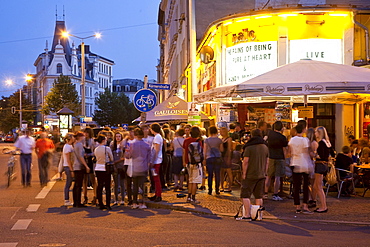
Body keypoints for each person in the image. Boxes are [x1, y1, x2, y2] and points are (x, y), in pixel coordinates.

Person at [236, 129, 268, 221]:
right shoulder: (265, 147)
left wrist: (244, 174)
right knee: (259, 196)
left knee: (245, 195)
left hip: (250, 174)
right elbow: (267, 162)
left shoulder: (249, 147)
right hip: (261, 174)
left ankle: (247, 215)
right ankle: (259, 215)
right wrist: (265, 172)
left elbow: (246, 161)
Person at [288, 124, 313, 214]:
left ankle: (297, 206)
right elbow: (307, 152)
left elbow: (289, 152)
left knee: (296, 185)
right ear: (303, 130)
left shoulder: (292, 140)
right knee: (305, 185)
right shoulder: (305, 140)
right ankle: (305, 205)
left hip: (294, 162)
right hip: (304, 163)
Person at [125, 128, 150, 209]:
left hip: (134, 166)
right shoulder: (147, 145)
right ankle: (142, 202)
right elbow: (149, 158)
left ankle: (134, 202)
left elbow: (127, 155)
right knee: (142, 185)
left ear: (135, 135)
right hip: (144, 166)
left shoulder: (130, 144)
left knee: (135, 185)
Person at [264, 121, 288, 201]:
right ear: (281, 128)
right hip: (280, 157)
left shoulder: (269, 135)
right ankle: (275, 194)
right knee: (277, 177)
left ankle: (265, 193)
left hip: (270, 156)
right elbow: (285, 149)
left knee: (268, 175)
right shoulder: (282, 137)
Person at [313, 126, 334, 213]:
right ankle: (316, 202)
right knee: (315, 186)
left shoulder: (321, 143)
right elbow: (332, 153)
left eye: (316, 132)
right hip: (324, 165)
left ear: (319, 133)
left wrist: (314, 155)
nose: (315, 133)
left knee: (318, 187)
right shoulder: (327, 142)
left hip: (320, 165)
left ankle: (323, 206)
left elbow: (321, 156)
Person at [183, 126, 204, 204]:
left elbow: (184, 152)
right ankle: (193, 198)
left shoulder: (186, 140)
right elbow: (201, 153)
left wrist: (184, 162)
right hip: (196, 163)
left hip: (188, 162)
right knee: (195, 181)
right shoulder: (198, 141)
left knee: (190, 180)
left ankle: (188, 197)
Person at [94, 134, 114, 210]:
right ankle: (108, 204)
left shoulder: (96, 149)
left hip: (98, 168)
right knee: (107, 186)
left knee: (100, 186)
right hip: (105, 168)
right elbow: (111, 158)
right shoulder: (107, 148)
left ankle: (100, 203)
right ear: (103, 140)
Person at [72, 132, 90, 208]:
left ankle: (75, 201)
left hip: (76, 165)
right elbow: (80, 156)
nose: (84, 137)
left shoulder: (76, 144)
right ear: (80, 137)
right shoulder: (79, 145)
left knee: (77, 184)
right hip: (79, 166)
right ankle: (77, 202)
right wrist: (86, 166)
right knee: (78, 184)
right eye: (83, 136)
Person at [203, 126, 223, 195]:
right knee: (217, 174)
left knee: (210, 175)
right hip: (217, 158)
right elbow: (221, 150)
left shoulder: (207, 140)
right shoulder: (219, 140)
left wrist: (204, 159)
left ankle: (210, 190)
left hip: (209, 158)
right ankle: (217, 189)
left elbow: (205, 150)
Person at [148, 123, 164, 202]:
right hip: (157, 159)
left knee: (156, 178)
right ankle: (157, 193)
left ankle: (158, 195)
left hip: (156, 160)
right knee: (155, 178)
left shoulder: (157, 137)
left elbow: (156, 150)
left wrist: (153, 160)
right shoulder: (158, 137)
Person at [110, 132, 126, 205]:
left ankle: (122, 199)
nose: (118, 138)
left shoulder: (123, 145)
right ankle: (116, 199)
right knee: (116, 183)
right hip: (115, 166)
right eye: (116, 136)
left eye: (119, 136)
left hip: (122, 166)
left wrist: (118, 161)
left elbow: (124, 157)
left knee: (122, 183)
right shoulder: (112, 145)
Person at [82, 127, 97, 205]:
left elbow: (95, 151)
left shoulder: (93, 141)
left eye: (87, 133)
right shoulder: (82, 141)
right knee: (84, 180)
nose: (86, 134)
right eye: (85, 132)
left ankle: (95, 196)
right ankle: (85, 197)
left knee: (93, 179)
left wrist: (89, 154)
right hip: (84, 160)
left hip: (91, 161)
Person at [62, 133, 75, 206]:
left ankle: (67, 199)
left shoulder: (69, 146)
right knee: (68, 183)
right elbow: (69, 159)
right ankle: (66, 200)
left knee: (69, 183)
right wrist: (71, 169)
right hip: (68, 166)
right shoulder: (67, 147)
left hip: (67, 166)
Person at [220, 127, 233, 192]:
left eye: (222, 131)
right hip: (221, 156)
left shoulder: (229, 139)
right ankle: (221, 186)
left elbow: (229, 149)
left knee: (228, 171)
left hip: (226, 156)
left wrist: (229, 157)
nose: (220, 133)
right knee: (221, 172)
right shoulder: (221, 139)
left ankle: (230, 186)